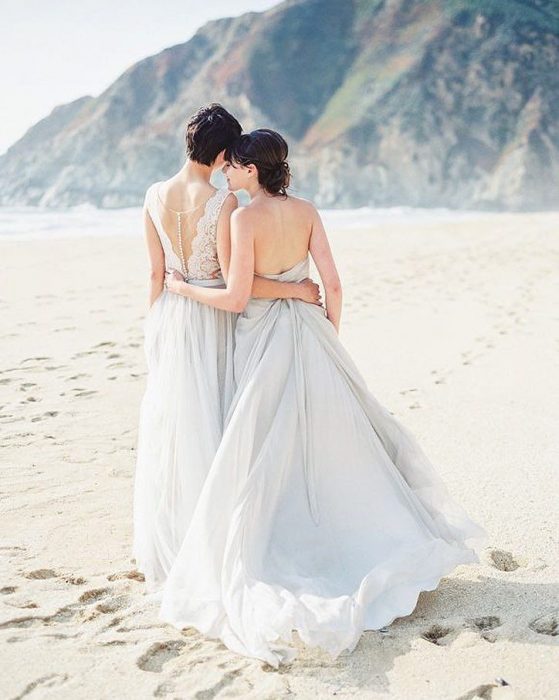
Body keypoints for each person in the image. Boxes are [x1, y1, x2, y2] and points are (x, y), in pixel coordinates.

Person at [160, 128, 487, 667]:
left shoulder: (243, 217)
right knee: (336, 441)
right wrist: (328, 334)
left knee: (266, 443)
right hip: (312, 334)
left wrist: (180, 288)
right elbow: (332, 284)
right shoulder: (308, 210)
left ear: (252, 170)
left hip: (264, 339)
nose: (228, 175)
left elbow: (237, 295)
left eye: (236, 168)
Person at [133, 109, 322, 592]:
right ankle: (216, 538)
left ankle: (172, 541)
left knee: (176, 424)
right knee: (217, 419)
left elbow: (156, 275)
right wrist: (296, 290)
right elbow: (232, 280)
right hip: (214, 317)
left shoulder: (153, 195)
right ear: (221, 153)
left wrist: (155, 322)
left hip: (170, 317)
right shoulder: (224, 204)